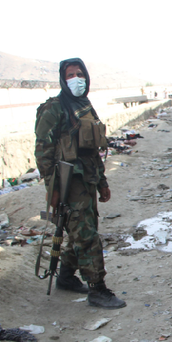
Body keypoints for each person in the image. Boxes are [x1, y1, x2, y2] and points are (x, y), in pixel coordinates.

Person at [34, 58, 126, 309]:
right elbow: (43, 151)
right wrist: (52, 189)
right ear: (63, 80)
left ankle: (65, 277)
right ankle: (97, 289)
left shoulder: (84, 105)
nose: (76, 79)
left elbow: (93, 149)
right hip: (68, 181)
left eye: (80, 74)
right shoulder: (53, 108)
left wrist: (102, 182)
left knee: (82, 230)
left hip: (87, 179)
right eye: (70, 75)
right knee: (85, 234)